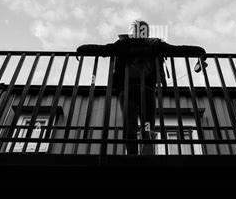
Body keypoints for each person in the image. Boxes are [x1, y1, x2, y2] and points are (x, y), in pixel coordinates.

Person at [77, 20, 206, 155]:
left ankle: (132, 151)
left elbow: (104, 50)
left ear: (133, 31)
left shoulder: (123, 43)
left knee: (130, 121)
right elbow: (177, 50)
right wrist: (199, 51)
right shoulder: (155, 44)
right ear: (146, 32)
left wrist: (82, 49)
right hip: (147, 89)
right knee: (147, 121)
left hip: (127, 89)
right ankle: (147, 139)